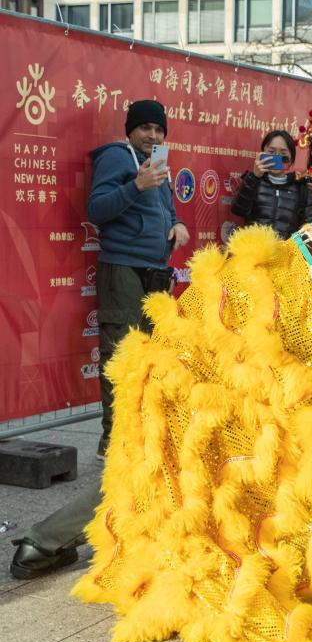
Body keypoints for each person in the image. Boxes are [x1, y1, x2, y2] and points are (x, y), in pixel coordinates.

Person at [79, 99, 190, 460]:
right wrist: (136, 186)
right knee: (120, 357)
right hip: (122, 266)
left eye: (159, 130)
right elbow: (96, 210)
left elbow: (167, 207)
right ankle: (112, 440)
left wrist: (176, 222)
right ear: (131, 129)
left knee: (148, 358)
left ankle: (139, 435)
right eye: (146, 128)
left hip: (155, 270)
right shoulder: (116, 156)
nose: (152, 135)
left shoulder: (159, 161)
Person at [230, 129, 312, 239]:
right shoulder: (252, 181)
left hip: (287, 254)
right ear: (262, 154)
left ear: (291, 159)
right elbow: (237, 209)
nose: (277, 157)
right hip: (255, 252)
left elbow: (311, 225)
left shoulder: (301, 188)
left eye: (283, 153)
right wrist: (254, 177)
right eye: (271, 152)